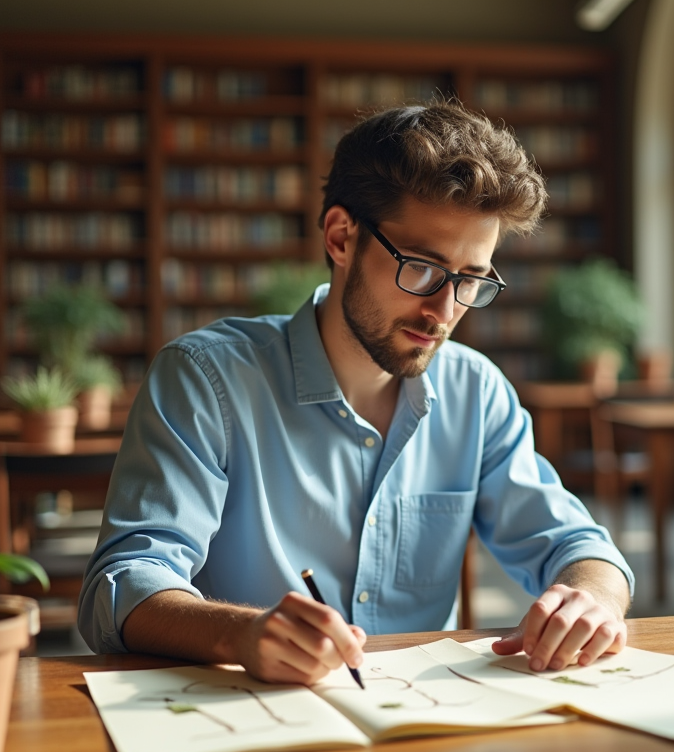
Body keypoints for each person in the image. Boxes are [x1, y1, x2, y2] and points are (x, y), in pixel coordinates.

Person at [78, 100, 634, 685]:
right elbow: (121, 583)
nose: (444, 311)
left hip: (419, 730)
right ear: (342, 238)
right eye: (421, 268)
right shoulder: (204, 379)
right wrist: (238, 634)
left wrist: (589, 598)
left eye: (470, 280)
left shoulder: (477, 392)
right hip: (245, 720)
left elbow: (578, 544)